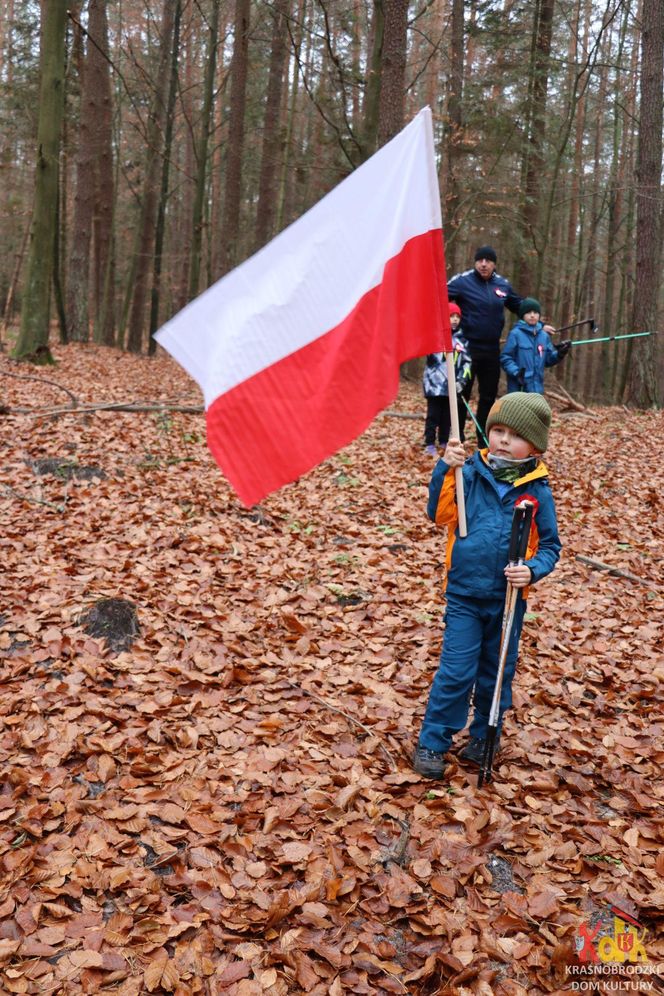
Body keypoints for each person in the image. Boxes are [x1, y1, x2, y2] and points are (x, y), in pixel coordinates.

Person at [412, 392, 561, 779]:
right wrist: (445, 469)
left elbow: (550, 546)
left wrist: (532, 570)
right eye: (497, 430)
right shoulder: (470, 472)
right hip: (464, 592)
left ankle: (484, 736)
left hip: (508, 599)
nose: (502, 440)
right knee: (456, 670)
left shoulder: (537, 489)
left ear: (534, 445)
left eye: (514, 435)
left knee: (497, 671)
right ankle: (433, 741)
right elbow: (438, 513)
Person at [422, 302, 472, 456]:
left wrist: (461, 382)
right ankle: (429, 442)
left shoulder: (462, 340)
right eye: (451, 316)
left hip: (452, 386)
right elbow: (431, 359)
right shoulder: (435, 336)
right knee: (433, 414)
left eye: (457, 317)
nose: (455, 319)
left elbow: (467, 363)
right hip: (435, 385)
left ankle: (444, 440)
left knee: (448, 415)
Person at [501, 297, 571, 393]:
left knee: (536, 408)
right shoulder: (515, 334)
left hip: (537, 389)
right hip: (518, 389)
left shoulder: (544, 336)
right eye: (529, 313)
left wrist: (560, 354)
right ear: (522, 315)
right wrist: (516, 372)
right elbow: (505, 358)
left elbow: (548, 360)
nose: (532, 315)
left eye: (535, 313)